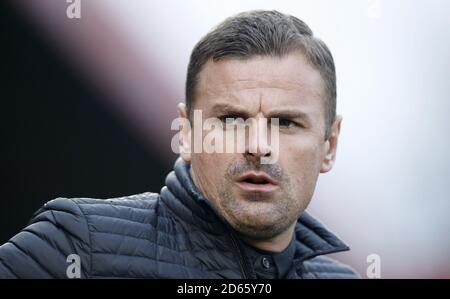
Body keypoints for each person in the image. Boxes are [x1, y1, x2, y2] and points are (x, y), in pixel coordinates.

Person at [0, 10, 359, 279]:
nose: (258, 146)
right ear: (187, 133)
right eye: (231, 120)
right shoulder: (78, 247)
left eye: (285, 123)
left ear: (329, 145)